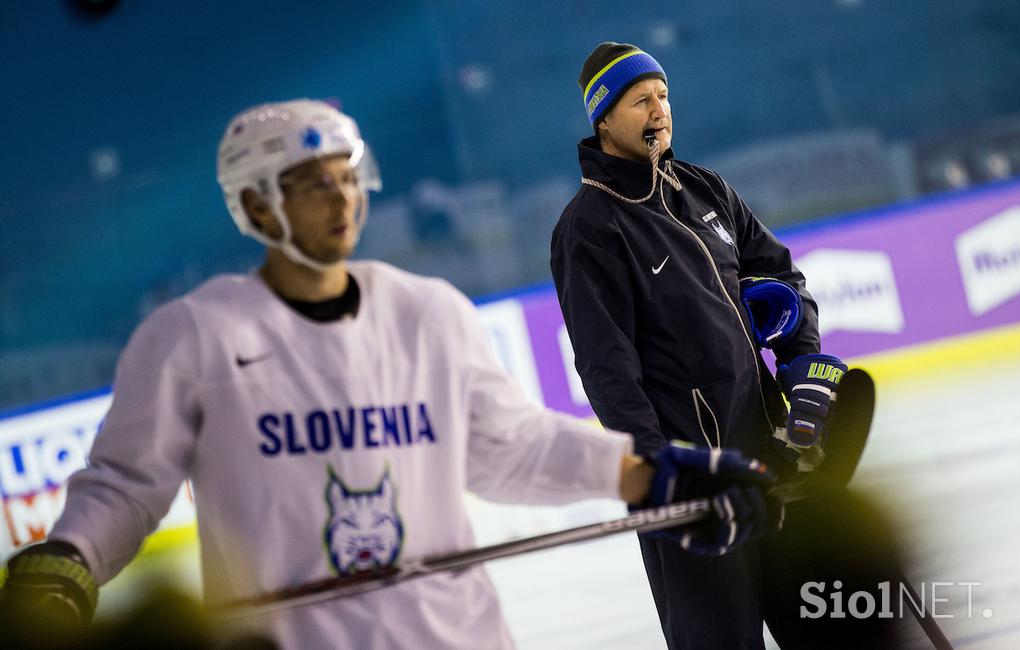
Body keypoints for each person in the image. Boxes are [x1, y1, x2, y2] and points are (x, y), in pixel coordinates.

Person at [0, 99, 781, 650]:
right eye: (312, 184)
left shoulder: (427, 313)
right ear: (256, 206)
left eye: (348, 176)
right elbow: (126, 486)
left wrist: (662, 475)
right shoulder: (193, 338)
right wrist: (68, 559)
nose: (341, 199)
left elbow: (517, 449)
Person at [550, 43, 850, 649]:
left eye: (662, 95)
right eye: (640, 101)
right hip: (697, 498)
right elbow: (609, 373)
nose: (658, 110)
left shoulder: (705, 189)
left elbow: (784, 278)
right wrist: (668, 477)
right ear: (604, 117)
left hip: (773, 468)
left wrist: (804, 367)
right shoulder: (591, 227)